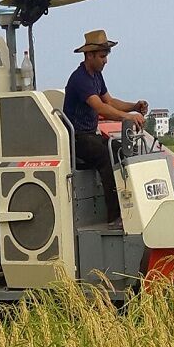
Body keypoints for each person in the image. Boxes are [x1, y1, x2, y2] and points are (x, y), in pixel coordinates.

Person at [63, 29, 148, 229]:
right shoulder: (80, 79)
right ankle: (114, 216)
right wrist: (129, 117)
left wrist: (134, 106)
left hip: (90, 135)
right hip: (77, 138)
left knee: (121, 150)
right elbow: (101, 108)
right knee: (105, 156)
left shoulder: (96, 77)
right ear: (89, 55)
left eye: (106, 56)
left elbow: (110, 101)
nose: (106, 61)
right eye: (102, 56)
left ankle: (132, 205)